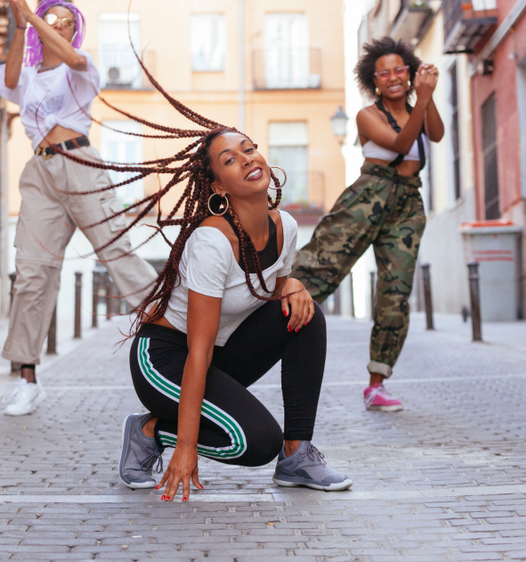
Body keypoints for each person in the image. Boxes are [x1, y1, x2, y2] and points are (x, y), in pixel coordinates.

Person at [113, 126, 352, 500]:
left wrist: (292, 284)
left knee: (306, 315)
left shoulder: (285, 227)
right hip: (166, 359)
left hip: (216, 354)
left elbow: (268, 291)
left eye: (249, 149)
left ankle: (296, 456)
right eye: (230, 160)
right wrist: (186, 446)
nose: (246, 160)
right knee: (256, 442)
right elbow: (199, 351)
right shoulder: (212, 242)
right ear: (219, 187)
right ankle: (150, 432)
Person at [0, 0, 156, 416]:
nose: (60, 26)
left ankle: (181, 334)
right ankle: (27, 377)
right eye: (54, 19)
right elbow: (8, 82)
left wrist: (33, 14)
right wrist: (21, 24)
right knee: (31, 273)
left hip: (80, 163)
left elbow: (76, 58)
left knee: (118, 251)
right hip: (39, 174)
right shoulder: (27, 75)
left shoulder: (80, 70)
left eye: (67, 23)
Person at [291, 36, 443, 413]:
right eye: (385, 72)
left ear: (409, 73)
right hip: (369, 196)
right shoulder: (366, 116)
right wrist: (421, 98)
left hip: (409, 202)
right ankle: (253, 334)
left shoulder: (418, 103)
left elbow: (435, 134)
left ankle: (377, 382)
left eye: (400, 70)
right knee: (318, 270)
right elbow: (400, 145)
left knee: (396, 291)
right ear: (374, 81)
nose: (393, 77)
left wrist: (426, 96)